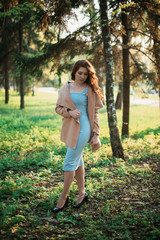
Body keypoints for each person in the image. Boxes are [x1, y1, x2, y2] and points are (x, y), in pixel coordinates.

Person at [53, 59, 103, 212]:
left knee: (69, 163)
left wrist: (96, 134)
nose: (82, 76)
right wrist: (70, 113)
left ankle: (63, 197)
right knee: (78, 160)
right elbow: (58, 108)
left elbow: (95, 112)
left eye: (85, 74)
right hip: (70, 129)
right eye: (80, 73)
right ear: (74, 72)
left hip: (84, 129)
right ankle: (82, 194)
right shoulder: (66, 87)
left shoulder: (89, 89)